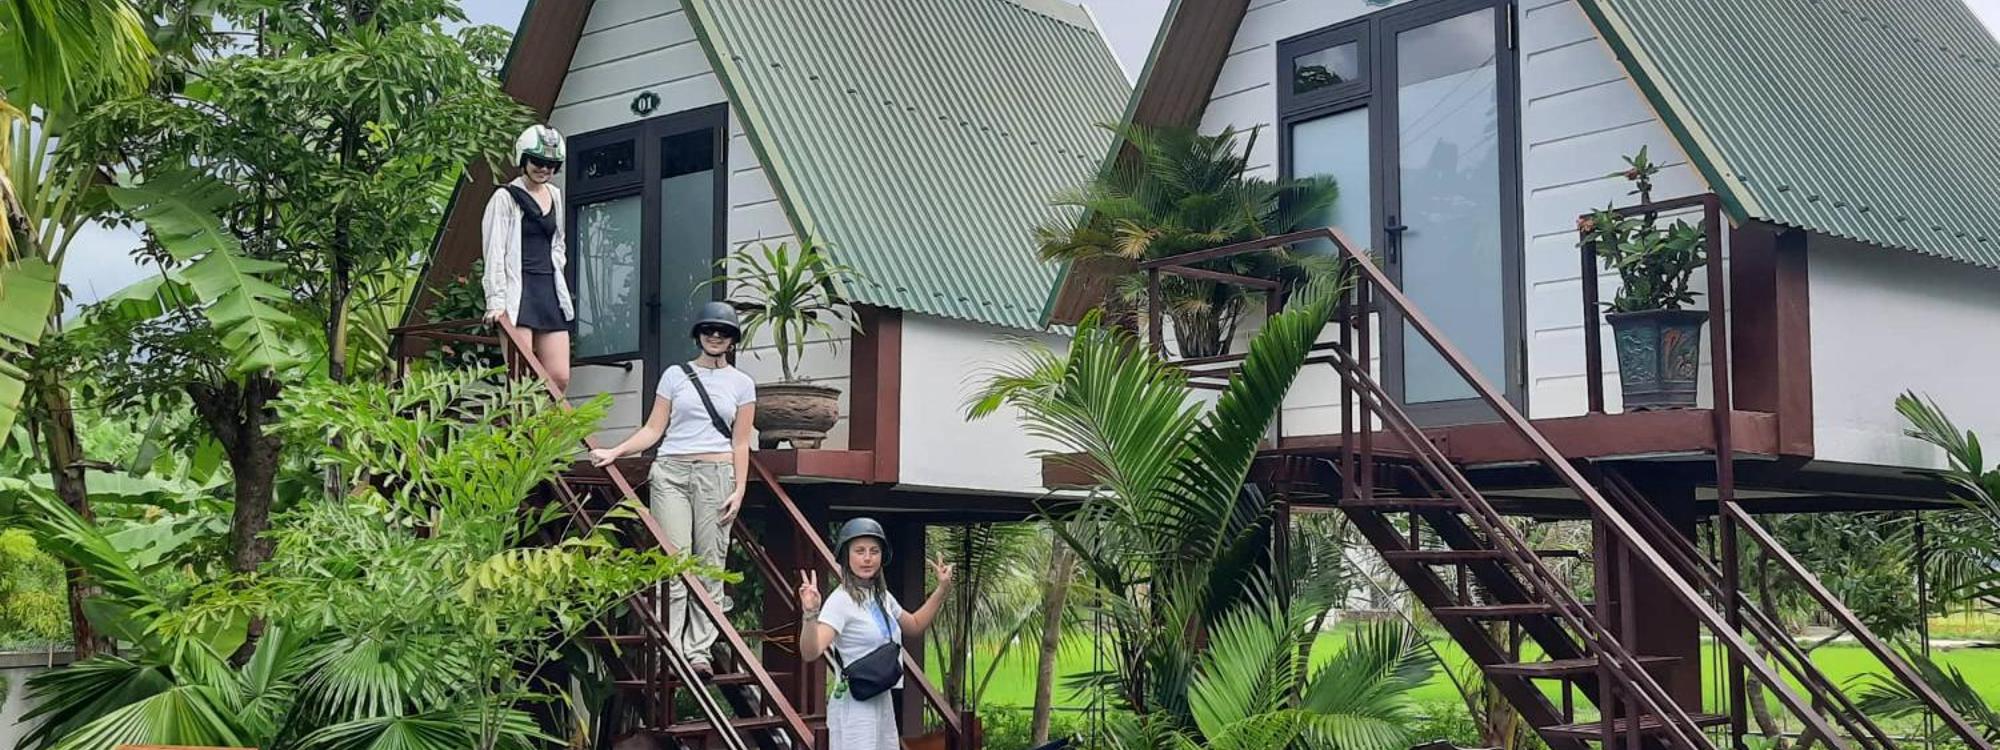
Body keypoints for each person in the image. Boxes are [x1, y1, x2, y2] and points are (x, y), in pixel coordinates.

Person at [589, 301, 758, 675]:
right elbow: (654, 429)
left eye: (724, 331)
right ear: (698, 334)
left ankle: (698, 652)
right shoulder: (674, 375)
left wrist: (740, 488)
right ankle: (669, 649)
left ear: (733, 339)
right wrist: (615, 451)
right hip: (671, 471)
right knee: (674, 561)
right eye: (709, 329)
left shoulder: (742, 384)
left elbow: (741, 442)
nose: (716, 336)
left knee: (710, 564)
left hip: (717, 474)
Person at [797, 518, 955, 750]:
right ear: (846, 556)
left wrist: (942, 589)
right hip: (855, 704)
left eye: (874, 551)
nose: (867, 558)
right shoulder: (840, 601)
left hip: (881, 696)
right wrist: (810, 614)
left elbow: (914, 624)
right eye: (859, 551)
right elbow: (811, 652)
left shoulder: (881, 596)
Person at [482, 123, 575, 393]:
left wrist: (558, 272)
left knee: (559, 377)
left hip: (548, 289)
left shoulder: (555, 195)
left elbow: (558, 243)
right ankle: (522, 422)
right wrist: (495, 302)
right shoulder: (504, 198)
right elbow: (494, 251)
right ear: (523, 159)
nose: (544, 169)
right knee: (521, 377)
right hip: (517, 290)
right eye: (538, 162)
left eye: (552, 164)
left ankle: (548, 422)